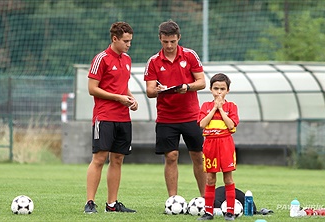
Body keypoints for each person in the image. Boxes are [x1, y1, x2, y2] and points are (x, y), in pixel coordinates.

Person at [144, 20, 206, 198]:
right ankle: (173, 199)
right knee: (171, 156)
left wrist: (187, 87)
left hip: (192, 116)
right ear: (160, 39)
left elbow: (201, 82)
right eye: (165, 42)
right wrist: (158, 90)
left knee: (198, 156)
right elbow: (149, 91)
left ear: (179, 38)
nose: (169, 45)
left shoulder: (190, 55)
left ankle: (205, 199)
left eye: (172, 41)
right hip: (166, 118)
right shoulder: (153, 61)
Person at [84, 21, 138, 214]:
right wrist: (118, 98)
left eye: (130, 41)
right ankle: (90, 203)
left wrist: (131, 99)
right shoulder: (101, 59)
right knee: (99, 158)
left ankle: (112, 204)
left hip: (123, 118)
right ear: (115, 39)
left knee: (118, 159)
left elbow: (122, 86)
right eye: (125, 41)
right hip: (104, 116)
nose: (129, 44)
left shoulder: (127, 59)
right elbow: (92, 89)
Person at [197, 73, 239, 221]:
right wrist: (214, 108)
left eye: (222, 88)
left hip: (226, 143)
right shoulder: (206, 106)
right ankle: (208, 212)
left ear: (227, 90)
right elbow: (202, 124)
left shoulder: (231, 106)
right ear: (210, 89)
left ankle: (230, 212)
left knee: (228, 178)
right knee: (210, 178)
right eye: (216, 88)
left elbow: (231, 125)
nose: (219, 92)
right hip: (210, 144)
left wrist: (221, 109)